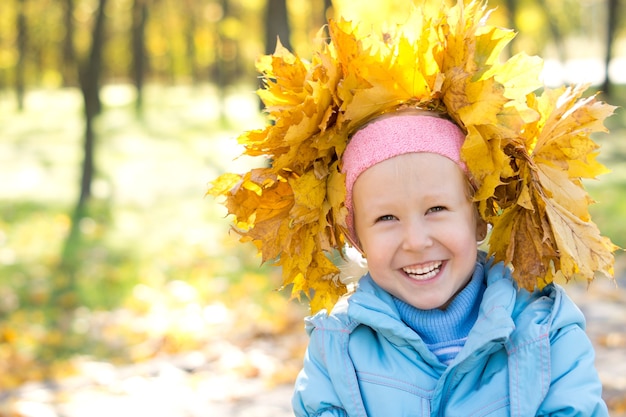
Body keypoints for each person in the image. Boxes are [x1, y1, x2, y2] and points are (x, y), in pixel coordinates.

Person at [208, 1, 616, 415]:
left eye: (437, 209)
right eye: (386, 218)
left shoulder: (543, 329)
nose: (416, 241)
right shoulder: (338, 345)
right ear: (356, 238)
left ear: (478, 217)